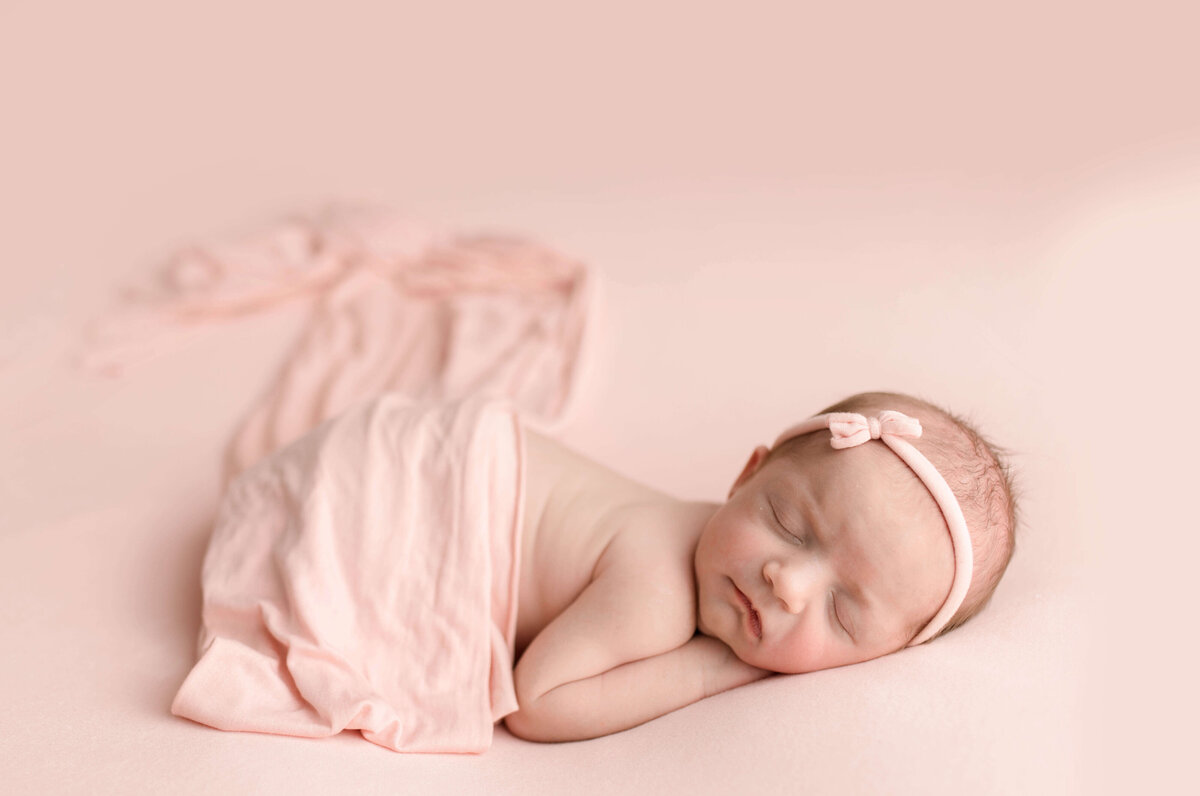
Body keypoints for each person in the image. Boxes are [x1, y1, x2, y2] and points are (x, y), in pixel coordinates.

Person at [504, 390, 1018, 743]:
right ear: (746, 474)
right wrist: (714, 670)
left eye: (841, 613)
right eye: (787, 523)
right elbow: (536, 702)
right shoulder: (657, 591)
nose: (788, 584)